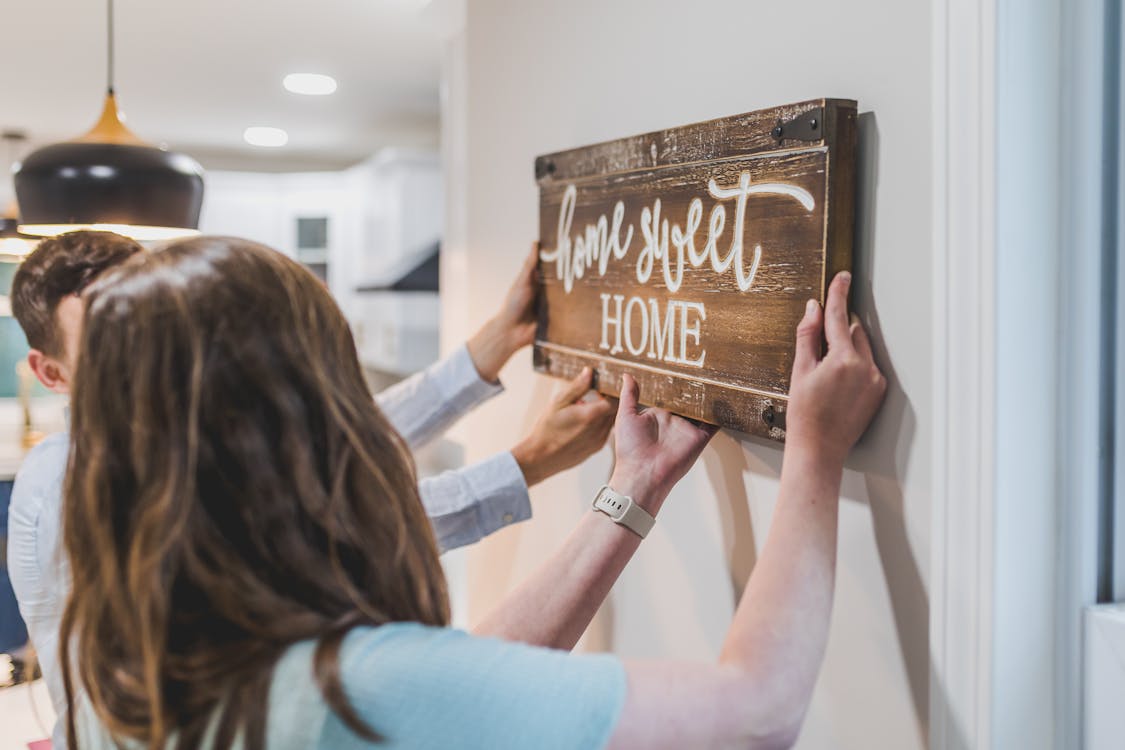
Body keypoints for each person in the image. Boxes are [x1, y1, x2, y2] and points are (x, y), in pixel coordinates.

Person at [63, 237, 885, 749]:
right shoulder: (353, 691)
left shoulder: (118, 658)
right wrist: (813, 451)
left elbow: (461, 687)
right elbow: (755, 714)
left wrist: (629, 493)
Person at [6, 231, 613, 748]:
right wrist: (526, 464)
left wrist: (495, 343)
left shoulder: (161, 437)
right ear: (50, 373)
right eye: (121, 342)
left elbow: (321, 439)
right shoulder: (76, 481)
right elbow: (314, 525)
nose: (166, 357)